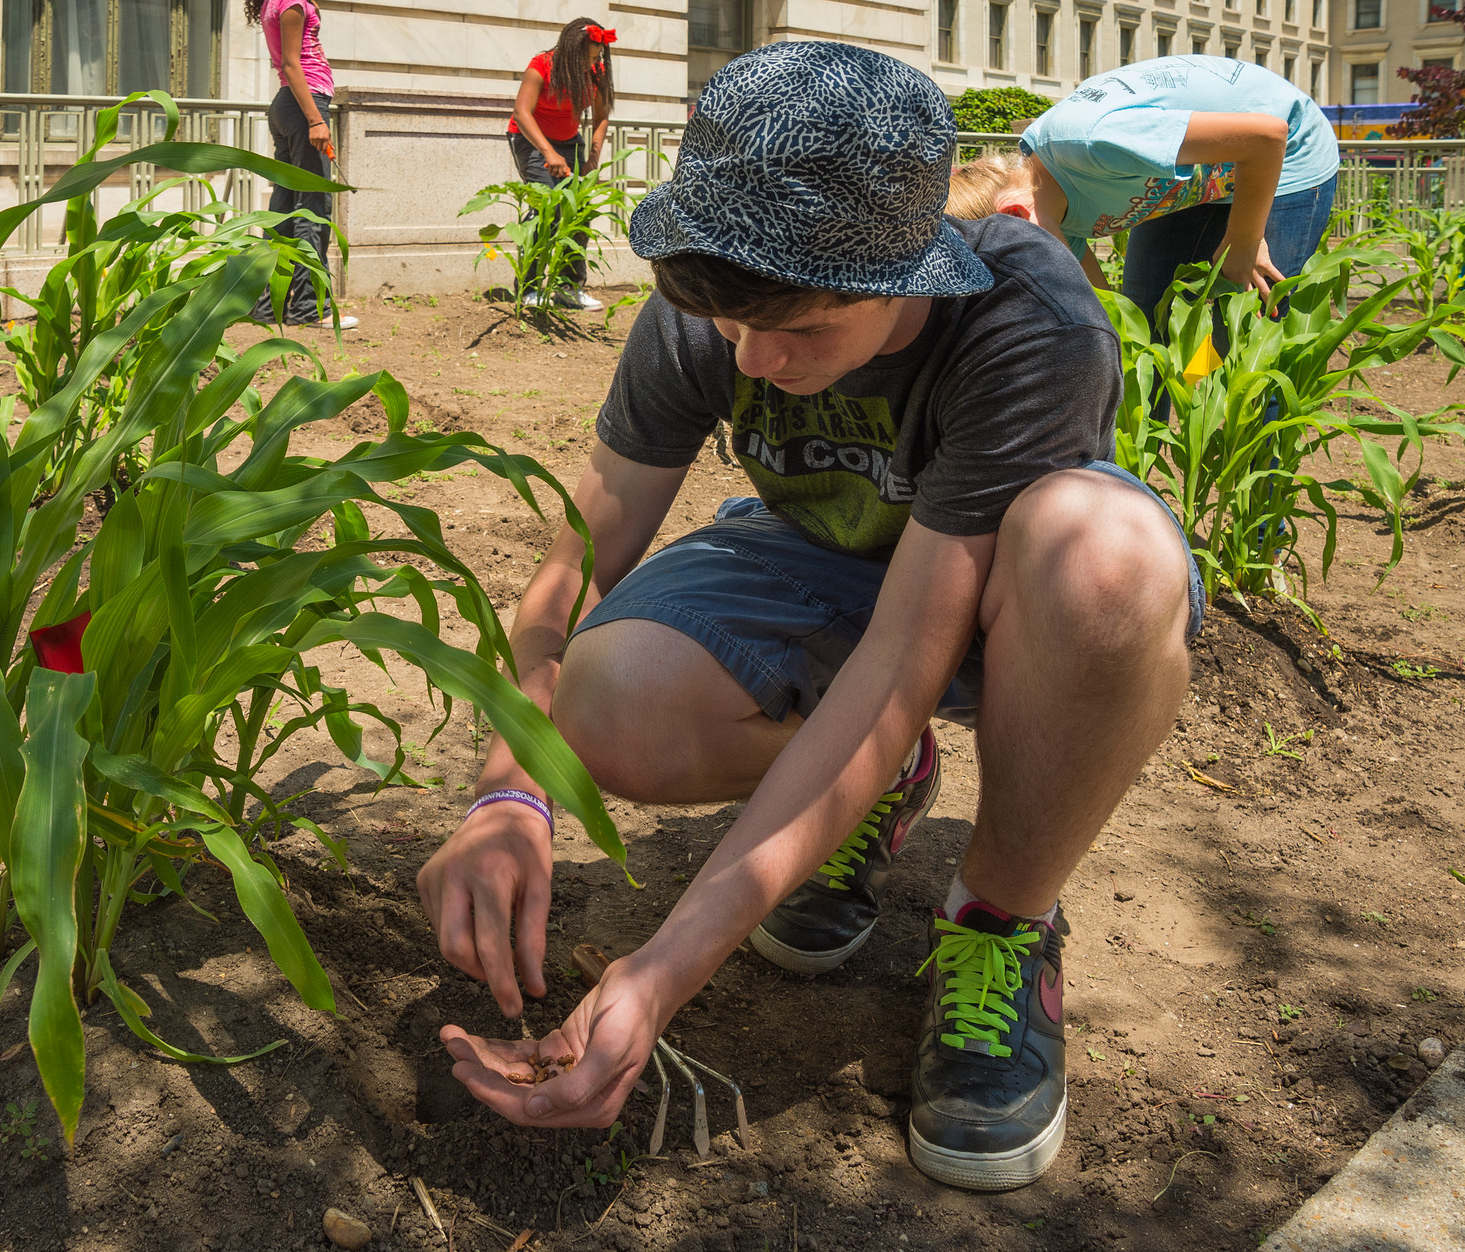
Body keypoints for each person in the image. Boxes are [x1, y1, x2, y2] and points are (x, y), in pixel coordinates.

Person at [417, 43, 1205, 1192]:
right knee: (604, 699)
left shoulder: (1024, 316)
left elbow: (900, 661)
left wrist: (661, 972)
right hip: (817, 560)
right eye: (729, 323)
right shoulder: (714, 296)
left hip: (995, 597)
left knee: (1104, 560)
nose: (753, 357)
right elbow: (578, 560)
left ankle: (998, 925)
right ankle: (866, 793)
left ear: (910, 276)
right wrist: (506, 786)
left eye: (804, 332)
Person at [945, 55, 1339, 330]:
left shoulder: (1092, 144)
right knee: (1144, 323)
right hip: (1190, 180)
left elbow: (1267, 137)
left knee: (1250, 332)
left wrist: (1244, 239)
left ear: (1015, 217)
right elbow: (1106, 312)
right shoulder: (1051, 215)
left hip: (1285, 155)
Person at [245, 0, 356, 331]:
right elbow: (292, 64)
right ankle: (310, 307)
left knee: (283, 209)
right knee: (313, 209)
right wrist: (315, 119)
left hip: (288, 106)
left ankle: (268, 306)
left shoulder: (274, 3)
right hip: (303, 104)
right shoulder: (292, 3)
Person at [505, 18, 616, 310]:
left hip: (569, 142)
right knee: (548, 207)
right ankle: (528, 289)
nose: (591, 63)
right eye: (587, 56)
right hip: (530, 139)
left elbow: (601, 117)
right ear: (570, 48)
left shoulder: (595, 72)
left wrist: (593, 156)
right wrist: (548, 153)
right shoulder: (542, 65)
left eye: (596, 57)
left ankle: (569, 288)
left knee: (578, 211)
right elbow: (521, 113)